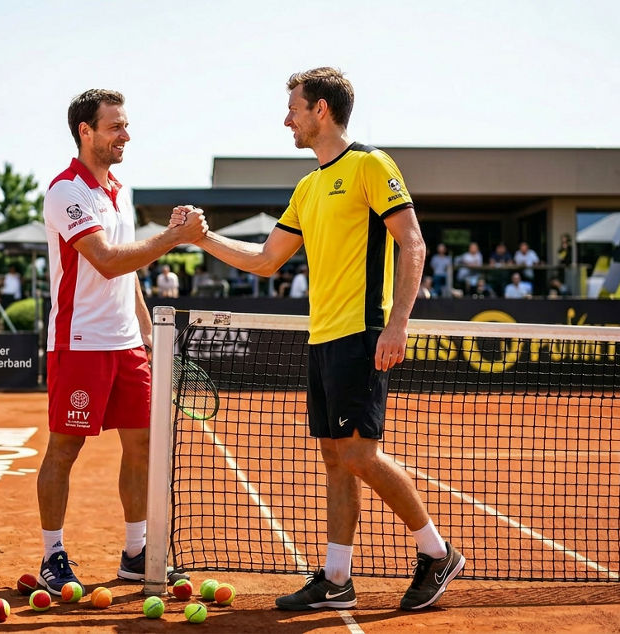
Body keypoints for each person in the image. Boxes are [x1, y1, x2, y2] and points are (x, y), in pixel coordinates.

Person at [172, 67, 463, 612]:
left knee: (358, 453)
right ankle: (336, 579)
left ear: (321, 109)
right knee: (335, 458)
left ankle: (437, 551)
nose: (287, 118)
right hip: (323, 335)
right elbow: (264, 260)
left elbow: (413, 243)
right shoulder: (307, 186)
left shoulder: (370, 165)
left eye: (294, 108)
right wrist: (202, 238)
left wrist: (398, 323)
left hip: (362, 331)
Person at [37, 88, 206, 597]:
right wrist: (174, 238)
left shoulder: (119, 189)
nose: (125, 135)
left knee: (141, 447)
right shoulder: (65, 191)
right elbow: (107, 259)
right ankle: (52, 555)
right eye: (115, 127)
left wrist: (149, 332)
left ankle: (136, 553)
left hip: (127, 344)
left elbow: (126, 272)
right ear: (85, 132)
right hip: (80, 342)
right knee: (65, 449)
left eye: (125, 126)